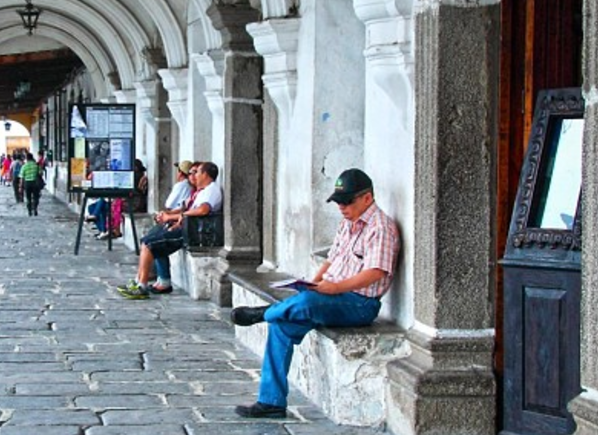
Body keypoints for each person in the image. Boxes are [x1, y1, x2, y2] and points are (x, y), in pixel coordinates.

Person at [231, 168, 400, 419]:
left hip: (359, 303)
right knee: (281, 325)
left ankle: (264, 312)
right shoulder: (348, 224)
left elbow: (376, 271)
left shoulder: (380, 227)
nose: (342, 207)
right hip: (330, 296)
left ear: (367, 198)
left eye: (347, 201)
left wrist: (333, 288)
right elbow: (332, 259)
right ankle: (272, 401)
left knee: (307, 303)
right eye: (338, 202)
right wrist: (314, 282)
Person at [118, 161, 222, 300]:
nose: (194, 176)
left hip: (194, 231)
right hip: (187, 226)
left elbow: (203, 210)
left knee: (149, 244)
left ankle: (142, 285)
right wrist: (172, 217)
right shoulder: (202, 191)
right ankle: (161, 281)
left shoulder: (211, 190)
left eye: (197, 172)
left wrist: (180, 216)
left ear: (205, 174)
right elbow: (186, 208)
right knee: (153, 238)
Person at [20, 152, 42, 216]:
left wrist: (20, 187)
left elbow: (22, 177)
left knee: (28, 198)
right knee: (36, 197)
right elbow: (40, 173)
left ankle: (29, 211)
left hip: (27, 183)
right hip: (35, 183)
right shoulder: (36, 165)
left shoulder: (24, 166)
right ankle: (35, 209)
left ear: (27, 158)